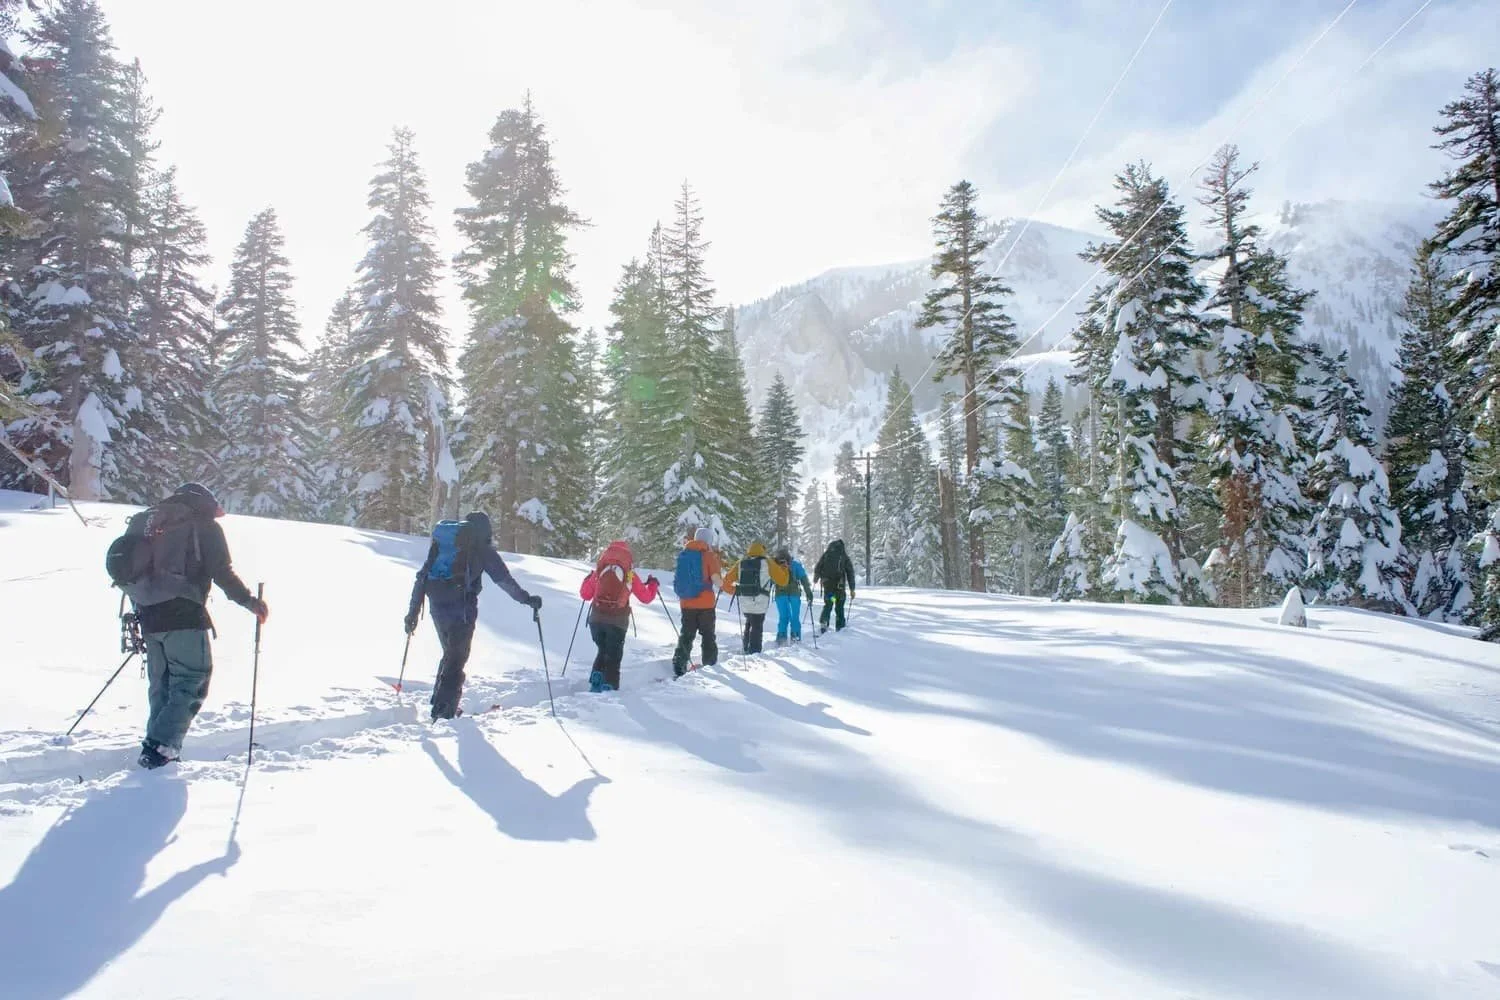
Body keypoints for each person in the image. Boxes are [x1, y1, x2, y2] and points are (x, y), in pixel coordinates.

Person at [129, 483, 269, 769]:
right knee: (192, 679)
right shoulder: (202, 525)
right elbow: (222, 572)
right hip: (184, 613)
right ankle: (160, 750)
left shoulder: (147, 521)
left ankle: (157, 747)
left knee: (163, 684)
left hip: (146, 614)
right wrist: (251, 602)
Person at [406, 511, 542, 720]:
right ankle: (443, 712)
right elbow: (504, 580)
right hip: (461, 611)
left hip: (437, 606)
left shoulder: (444, 546)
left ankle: (441, 702)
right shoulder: (481, 549)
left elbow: (421, 578)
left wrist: (413, 612)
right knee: (456, 659)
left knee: (450, 655)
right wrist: (526, 599)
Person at [578, 540, 659, 692]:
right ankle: (610, 686)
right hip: (617, 621)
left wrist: (587, 579)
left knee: (603, 649)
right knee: (614, 655)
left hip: (596, 619)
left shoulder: (599, 572)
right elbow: (646, 598)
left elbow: (585, 594)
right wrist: (653, 585)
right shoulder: (629, 575)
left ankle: (596, 677)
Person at [671, 526, 724, 677]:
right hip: (705, 603)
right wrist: (722, 585)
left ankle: (679, 662)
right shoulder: (708, 556)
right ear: (708, 540)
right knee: (707, 634)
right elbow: (716, 580)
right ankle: (709, 663)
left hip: (686, 603)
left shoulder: (684, 554)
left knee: (687, 634)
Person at [723, 542, 790, 655]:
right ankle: (754, 652)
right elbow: (783, 581)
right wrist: (784, 568)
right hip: (760, 600)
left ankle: (746, 648)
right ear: (762, 551)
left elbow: (726, 581)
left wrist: (736, 590)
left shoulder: (741, 563)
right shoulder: (768, 562)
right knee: (757, 626)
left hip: (744, 600)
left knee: (749, 622)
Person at [771, 547, 815, 646]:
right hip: (794, 594)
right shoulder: (795, 565)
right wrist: (809, 593)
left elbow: (771, 580)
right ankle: (795, 636)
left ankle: (781, 637)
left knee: (783, 617)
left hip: (780, 594)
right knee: (794, 616)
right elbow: (804, 579)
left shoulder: (775, 566)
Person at [814, 538, 857, 633]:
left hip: (828, 587)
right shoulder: (843, 556)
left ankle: (824, 622)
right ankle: (840, 626)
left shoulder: (827, 554)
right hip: (839, 587)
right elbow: (850, 572)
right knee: (839, 605)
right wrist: (852, 589)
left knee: (829, 603)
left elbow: (818, 566)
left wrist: (816, 578)